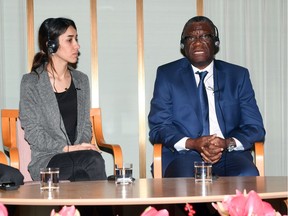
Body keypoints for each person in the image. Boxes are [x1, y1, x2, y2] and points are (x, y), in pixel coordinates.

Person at [148, 16, 265, 178]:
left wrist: (227, 143)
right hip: (184, 156)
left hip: (229, 154)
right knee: (184, 184)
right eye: (191, 37)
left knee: (246, 175)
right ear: (183, 45)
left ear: (215, 43)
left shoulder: (237, 76)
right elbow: (158, 127)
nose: (197, 42)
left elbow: (255, 127)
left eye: (204, 36)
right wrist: (193, 143)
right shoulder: (167, 75)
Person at [19, 17, 107, 182]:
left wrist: (79, 147)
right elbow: (33, 132)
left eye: (76, 39)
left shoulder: (81, 80)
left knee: (83, 174)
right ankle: (110, 208)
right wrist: (68, 149)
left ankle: (73, 210)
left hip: (80, 159)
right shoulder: (31, 82)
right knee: (93, 161)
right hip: (48, 160)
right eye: (69, 40)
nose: (77, 45)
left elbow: (85, 125)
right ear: (51, 45)